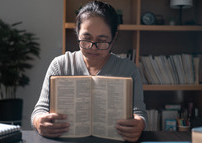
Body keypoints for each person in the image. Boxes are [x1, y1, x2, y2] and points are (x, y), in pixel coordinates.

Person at [31, 1, 147, 142]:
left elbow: (139, 112)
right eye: (86, 39)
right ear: (77, 33)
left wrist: (139, 123)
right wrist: (39, 122)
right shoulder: (60, 65)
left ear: (114, 37)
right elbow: (39, 110)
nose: (93, 47)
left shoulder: (128, 69)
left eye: (102, 41)